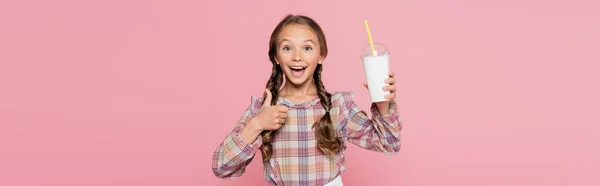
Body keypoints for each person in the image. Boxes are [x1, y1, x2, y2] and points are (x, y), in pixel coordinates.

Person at [212, 14, 402, 186]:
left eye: (307, 48)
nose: (297, 57)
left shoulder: (338, 106)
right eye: (287, 48)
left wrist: (383, 105)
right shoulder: (264, 109)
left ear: (321, 55)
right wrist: (256, 125)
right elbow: (221, 167)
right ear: (276, 57)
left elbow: (390, 144)